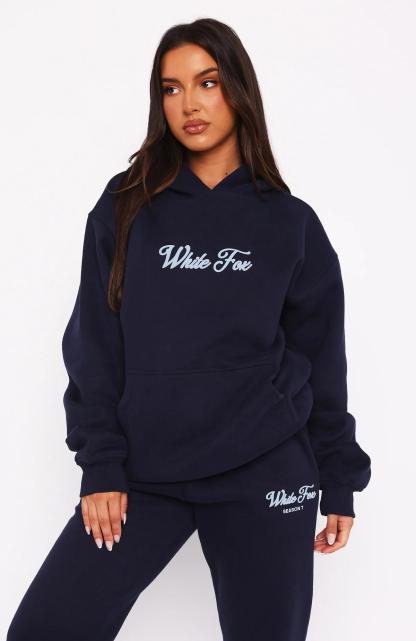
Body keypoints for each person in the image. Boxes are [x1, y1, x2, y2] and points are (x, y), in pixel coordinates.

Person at [6, 17, 371, 641]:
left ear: (238, 89)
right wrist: (102, 466)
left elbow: (321, 361)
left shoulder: (290, 224)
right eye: (171, 88)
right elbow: (95, 346)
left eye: (207, 82)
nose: (189, 104)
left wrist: (339, 477)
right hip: (145, 472)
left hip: (265, 470)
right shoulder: (126, 208)